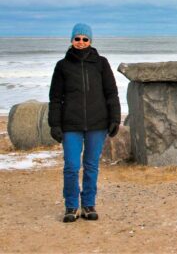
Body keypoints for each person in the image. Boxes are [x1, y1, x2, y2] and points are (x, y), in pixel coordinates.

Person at [48, 23, 121, 223]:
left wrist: (115, 118)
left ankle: (88, 205)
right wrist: (54, 124)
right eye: (77, 38)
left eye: (85, 39)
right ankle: (71, 206)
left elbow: (111, 93)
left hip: (97, 124)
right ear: (71, 40)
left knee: (91, 166)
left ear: (90, 41)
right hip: (70, 124)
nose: (81, 42)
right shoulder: (62, 66)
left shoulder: (101, 64)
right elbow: (55, 98)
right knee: (71, 166)